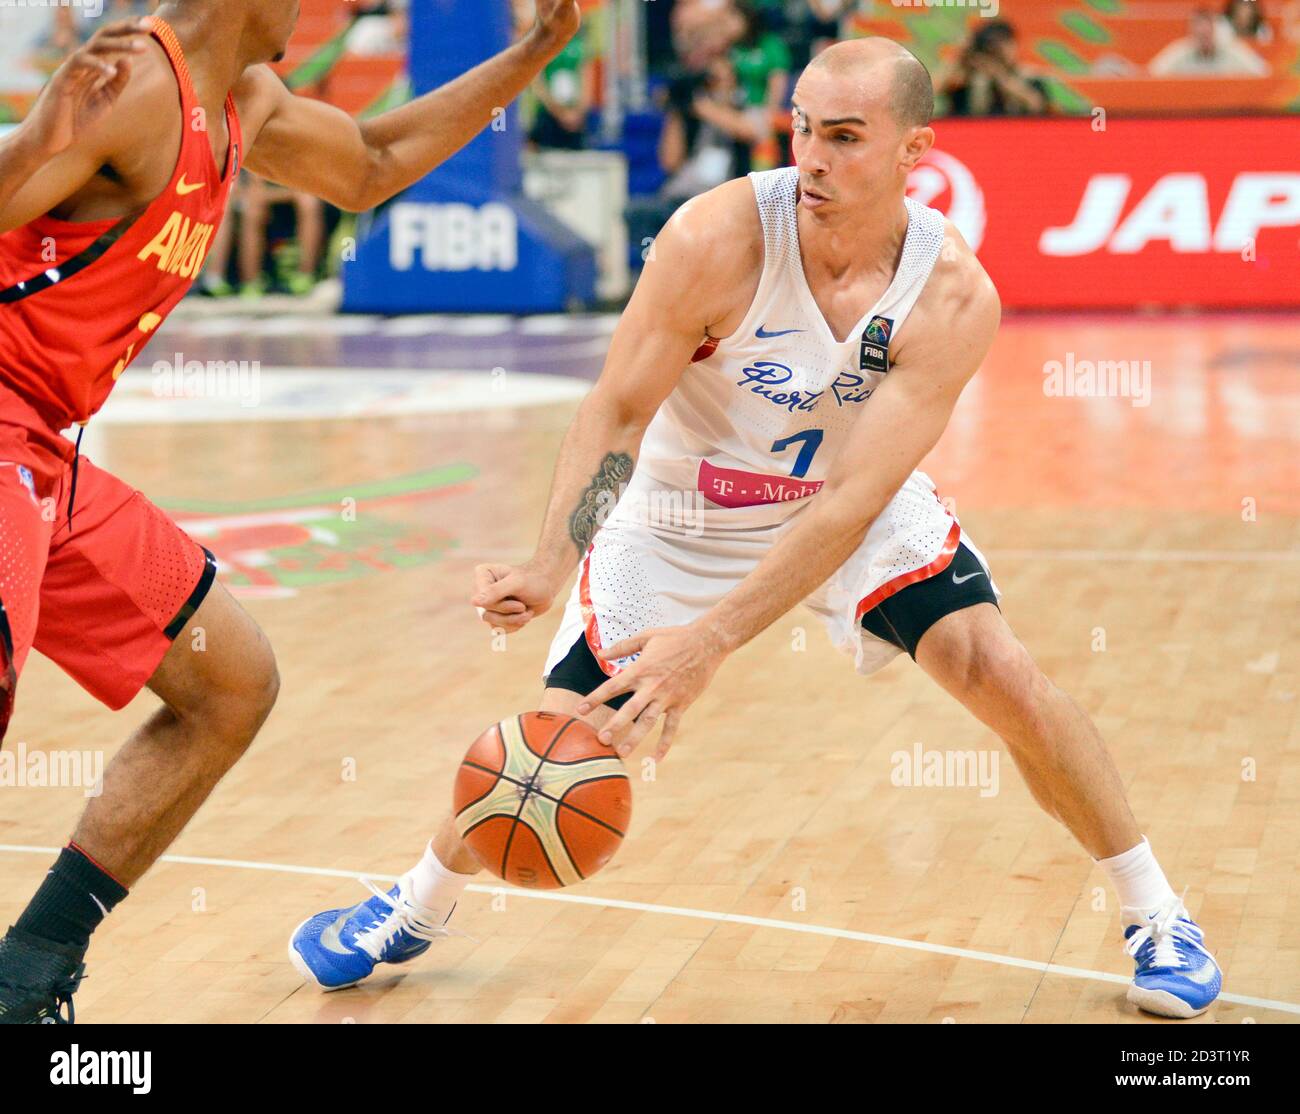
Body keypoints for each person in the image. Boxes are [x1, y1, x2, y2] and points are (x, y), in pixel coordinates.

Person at [289, 38, 1222, 1021]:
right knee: (565, 734)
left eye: (847, 138)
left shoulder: (950, 297)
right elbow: (615, 410)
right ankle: (413, 906)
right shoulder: (714, 239)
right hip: (682, 505)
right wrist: (549, 560)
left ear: (916, 151)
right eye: (803, 128)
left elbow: (854, 501)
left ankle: (1156, 912)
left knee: (995, 666)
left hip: (836, 499)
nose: (812, 157)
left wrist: (713, 641)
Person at [0, 0, 581, 1024]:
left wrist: (530, 52)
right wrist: (41, 137)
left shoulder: (244, 101)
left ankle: (27, 976)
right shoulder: (138, 87)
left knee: (230, 683)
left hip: (45, 442)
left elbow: (370, 160)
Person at [939, 20, 1050, 117]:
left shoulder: (1027, 77)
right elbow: (930, 92)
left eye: (1000, 46)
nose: (994, 54)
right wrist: (960, 56)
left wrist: (999, 75)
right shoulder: (963, 80)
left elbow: (1037, 105)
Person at [1149, 7, 1269, 75]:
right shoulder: (1179, 53)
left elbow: (1262, 72)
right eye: (1200, 33)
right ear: (1191, 32)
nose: (1204, 36)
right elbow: (1152, 75)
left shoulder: (1233, 51)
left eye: (1208, 32)